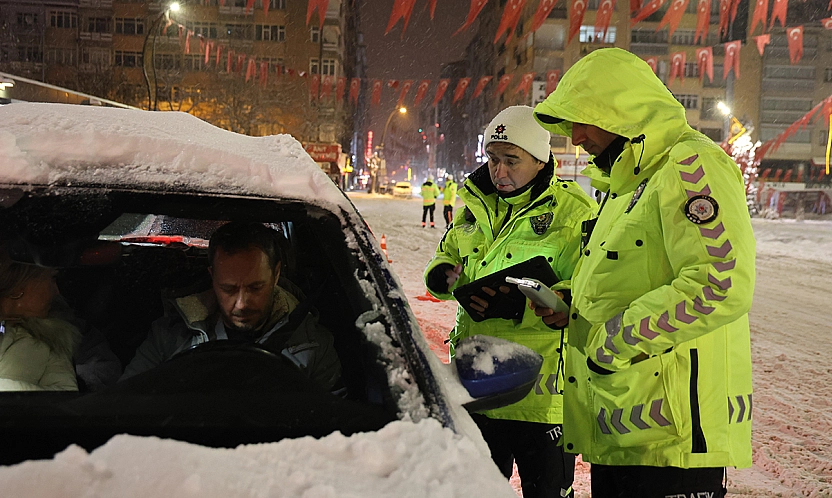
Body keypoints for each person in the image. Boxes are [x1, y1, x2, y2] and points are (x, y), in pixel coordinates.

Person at [532, 48, 755, 498]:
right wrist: (573, 304)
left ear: (618, 111)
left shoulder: (689, 166)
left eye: (581, 119)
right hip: (623, 430)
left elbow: (720, 282)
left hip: (675, 441)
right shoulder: (625, 182)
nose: (574, 137)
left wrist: (612, 343)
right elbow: (627, 275)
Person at [423, 105, 596, 498]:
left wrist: (525, 305)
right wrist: (441, 275)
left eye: (511, 161)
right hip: (478, 385)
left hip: (539, 394)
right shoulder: (474, 206)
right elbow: (447, 254)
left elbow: (587, 292)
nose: (499, 172)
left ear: (540, 159)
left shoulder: (574, 212)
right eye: (493, 159)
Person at [121, 222, 343, 393]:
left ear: (276, 275)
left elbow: (336, 431)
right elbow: (122, 403)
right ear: (212, 277)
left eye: (255, 287)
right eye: (228, 289)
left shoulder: (313, 346)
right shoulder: (169, 336)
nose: (242, 303)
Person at [0, 256, 80, 391]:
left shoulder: (52, 338)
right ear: (19, 286)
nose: (56, 291)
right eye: (52, 278)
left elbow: (63, 397)